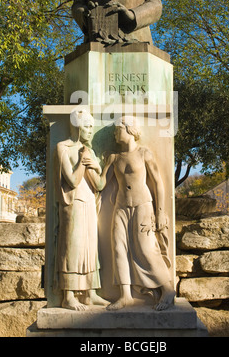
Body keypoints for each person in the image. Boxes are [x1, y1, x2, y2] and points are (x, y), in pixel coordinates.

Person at [82, 116, 175, 311]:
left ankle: (167, 289)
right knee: (119, 248)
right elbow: (100, 184)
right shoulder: (113, 158)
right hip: (121, 207)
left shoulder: (144, 153)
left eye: (118, 130)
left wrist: (160, 213)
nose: (115, 134)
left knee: (146, 248)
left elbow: (158, 183)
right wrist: (90, 164)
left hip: (143, 205)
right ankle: (125, 295)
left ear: (130, 130)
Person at [54, 109, 109, 310]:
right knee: (72, 247)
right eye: (86, 126)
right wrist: (83, 162)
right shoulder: (62, 148)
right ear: (76, 126)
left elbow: (100, 185)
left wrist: (95, 165)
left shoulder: (90, 151)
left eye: (91, 127)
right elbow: (73, 180)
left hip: (88, 202)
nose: (90, 131)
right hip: (73, 203)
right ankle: (68, 296)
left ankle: (90, 293)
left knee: (90, 247)